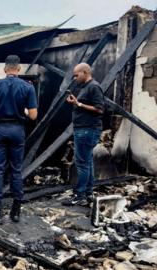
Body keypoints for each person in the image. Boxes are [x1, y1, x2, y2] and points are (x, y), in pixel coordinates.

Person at [0, 55, 38, 223]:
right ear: (18, 69)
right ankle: (15, 212)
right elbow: (33, 115)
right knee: (16, 169)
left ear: (5, 69)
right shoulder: (28, 87)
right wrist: (23, 112)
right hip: (17, 131)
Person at [63, 63, 104, 206]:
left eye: (76, 75)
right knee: (87, 162)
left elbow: (99, 109)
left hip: (88, 130)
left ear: (85, 72)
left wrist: (79, 104)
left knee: (81, 163)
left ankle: (80, 195)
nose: (75, 78)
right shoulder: (85, 87)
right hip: (84, 129)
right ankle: (88, 193)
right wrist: (75, 103)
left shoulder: (94, 86)